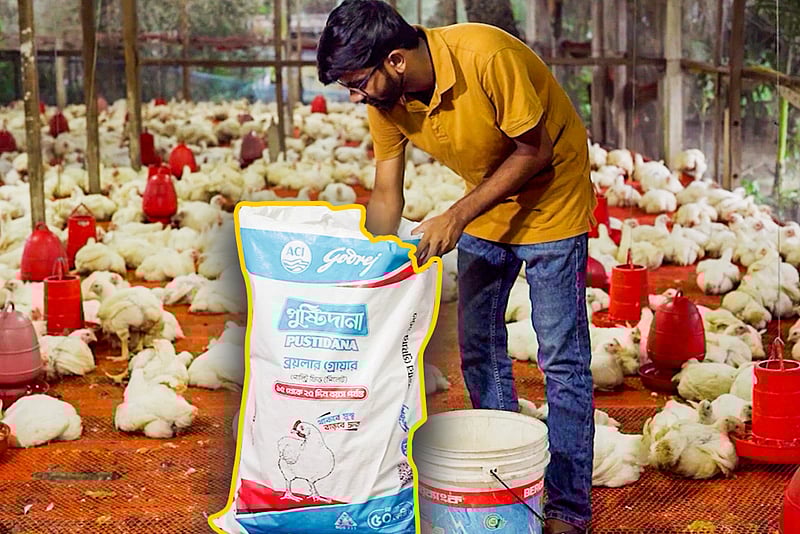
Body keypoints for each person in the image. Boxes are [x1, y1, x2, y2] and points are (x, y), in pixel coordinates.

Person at [317, 2, 596, 533]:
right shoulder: (387, 98)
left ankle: (567, 507)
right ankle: (505, 476)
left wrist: (457, 215)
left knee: (561, 360)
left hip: (552, 205)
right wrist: (372, 272)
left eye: (356, 83)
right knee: (479, 347)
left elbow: (534, 152)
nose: (355, 96)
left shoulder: (486, 56)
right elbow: (386, 192)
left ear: (395, 60)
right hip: (487, 204)